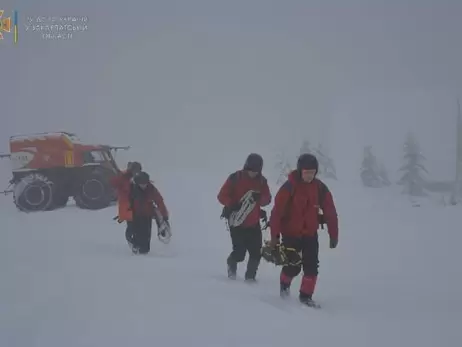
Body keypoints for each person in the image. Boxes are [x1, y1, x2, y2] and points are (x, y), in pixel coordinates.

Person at [269, 153, 338, 307]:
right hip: (290, 234)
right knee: (293, 266)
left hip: (310, 235)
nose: (309, 176)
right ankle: (284, 287)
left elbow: (330, 211)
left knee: (311, 267)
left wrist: (333, 234)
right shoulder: (290, 186)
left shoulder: (320, 188)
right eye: (306, 172)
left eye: (312, 173)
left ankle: (306, 296)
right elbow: (276, 213)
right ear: (300, 171)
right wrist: (275, 237)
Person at [217, 153, 272, 281]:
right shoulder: (235, 178)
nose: (253, 173)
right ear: (246, 167)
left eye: (256, 171)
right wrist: (232, 204)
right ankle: (232, 266)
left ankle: (250, 279)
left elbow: (267, 199)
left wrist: (260, 198)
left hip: (253, 222)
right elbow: (221, 196)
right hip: (236, 223)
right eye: (251, 170)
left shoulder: (262, 181)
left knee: (256, 253)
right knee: (240, 253)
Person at [125, 171, 169, 254]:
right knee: (135, 233)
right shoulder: (131, 190)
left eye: (145, 183)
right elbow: (125, 204)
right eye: (141, 184)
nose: (144, 185)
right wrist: (128, 217)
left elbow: (159, 201)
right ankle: (135, 248)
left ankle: (144, 251)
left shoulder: (151, 189)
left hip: (147, 215)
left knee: (146, 235)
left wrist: (164, 215)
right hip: (134, 215)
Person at [111, 161, 143, 248]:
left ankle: (137, 243)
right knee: (131, 226)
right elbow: (114, 182)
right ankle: (132, 242)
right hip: (127, 206)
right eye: (135, 170)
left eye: (138, 170)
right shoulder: (123, 178)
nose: (137, 172)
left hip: (137, 206)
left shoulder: (139, 178)